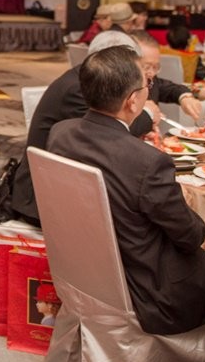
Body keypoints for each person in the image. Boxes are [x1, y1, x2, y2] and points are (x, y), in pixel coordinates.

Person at [47, 46, 205, 335]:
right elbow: (191, 237)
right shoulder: (148, 162)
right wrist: (185, 204)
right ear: (132, 100)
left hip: (84, 271)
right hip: (147, 289)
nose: (150, 87)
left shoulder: (60, 133)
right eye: (147, 83)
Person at [11, 31, 158, 226]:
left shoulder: (87, 79)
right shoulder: (80, 89)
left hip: (62, 185)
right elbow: (107, 137)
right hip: (42, 200)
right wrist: (148, 115)